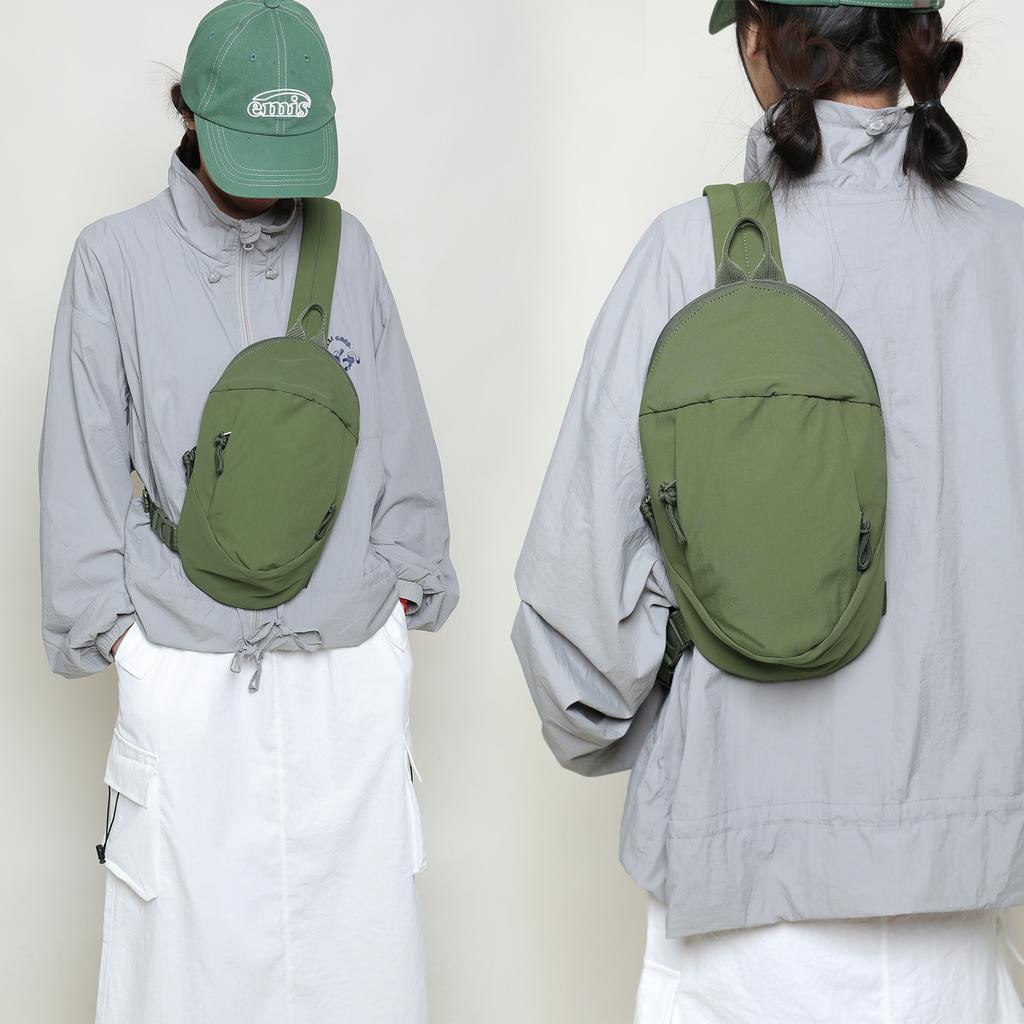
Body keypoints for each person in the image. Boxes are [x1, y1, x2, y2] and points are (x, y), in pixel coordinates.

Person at [512, 2, 1024, 1021]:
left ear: (760, 41)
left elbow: (579, 637)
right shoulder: (1011, 256)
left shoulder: (687, 257)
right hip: (960, 931)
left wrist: (657, 689)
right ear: (911, 40)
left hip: (746, 920)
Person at [38, 1, 456, 1021]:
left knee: (358, 983)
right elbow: (80, 471)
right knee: (181, 987)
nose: (273, 182)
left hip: (343, 673)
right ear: (190, 113)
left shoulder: (347, 250)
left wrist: (397, 599)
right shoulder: (113, 260)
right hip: (187, 668)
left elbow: (399, 435)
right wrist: (132, 645)